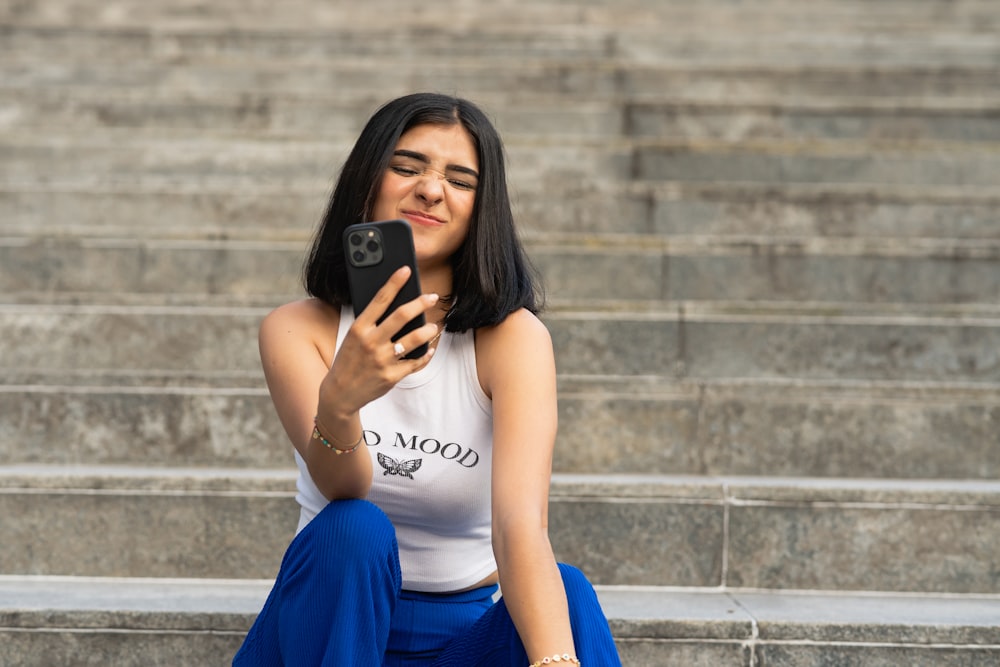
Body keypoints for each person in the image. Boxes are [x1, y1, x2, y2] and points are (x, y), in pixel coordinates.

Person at [233, 92, 622, 666]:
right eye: (407, 166)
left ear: (481, 209)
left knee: (567, 592)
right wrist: (340, 401)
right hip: (326, 633)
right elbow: (343, 490)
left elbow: (519, 527)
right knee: (353, 528)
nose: (432, 190)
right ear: (367, 179)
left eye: (460, 180)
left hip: (462, 641)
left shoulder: (511, 340)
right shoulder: (299, 330)